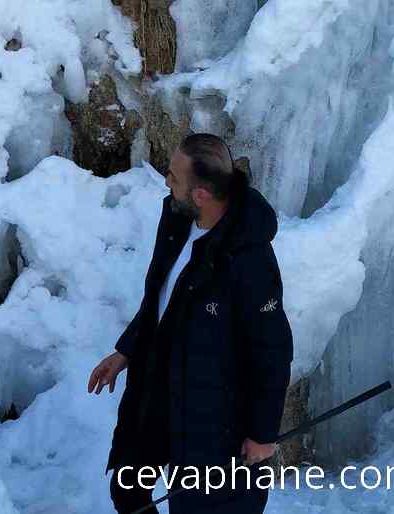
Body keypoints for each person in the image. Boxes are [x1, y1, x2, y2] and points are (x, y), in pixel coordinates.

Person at [88, 133, 294, 514]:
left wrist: (263, 435)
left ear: (201, 194)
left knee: (200, 509)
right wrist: (126, 351)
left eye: (174, 177)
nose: (167, 182)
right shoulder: (177, 220)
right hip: (157, 388)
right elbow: (162, 300)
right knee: (128, 489)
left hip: (211, 413)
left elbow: (273, 350)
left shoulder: (250, 261)